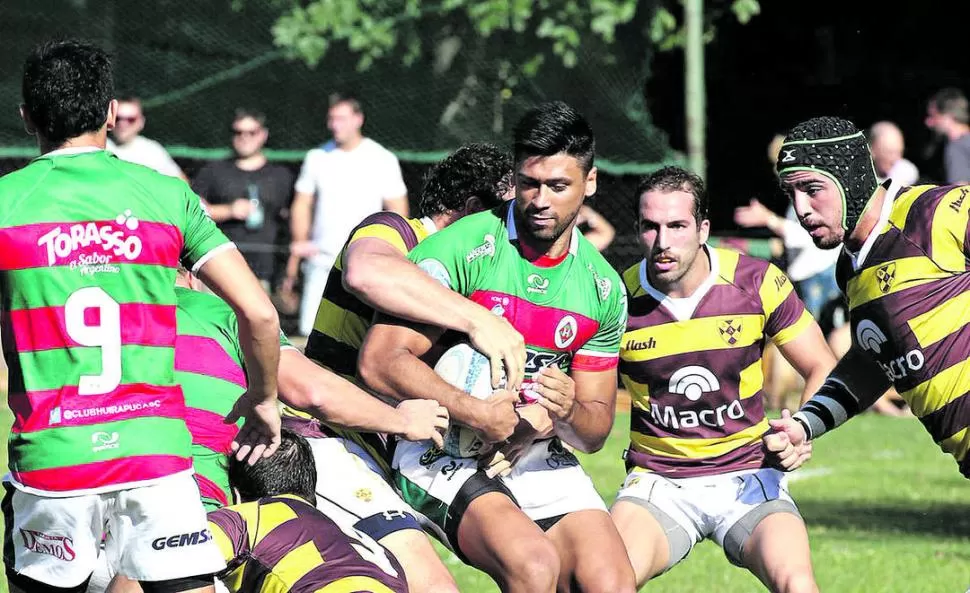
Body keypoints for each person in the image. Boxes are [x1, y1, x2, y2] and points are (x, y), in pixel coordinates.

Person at [0, 39, 281, 593]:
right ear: (109, 112)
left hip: (54, 459)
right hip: (155, 456)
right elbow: (261, 314)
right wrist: (264, 398)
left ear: (27, 116)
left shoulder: (6, 201)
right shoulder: (165, 195)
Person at [359, 102, 636, 593]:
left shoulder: (603, 288)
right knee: (533, 566)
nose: (540, 200)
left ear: (589, 183)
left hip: (530, 452)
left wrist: (566, 407)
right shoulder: (466, 247)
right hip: (436, 446)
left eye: (558, 186)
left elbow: (593, 431)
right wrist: (475, 413)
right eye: (529, 183)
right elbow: (381, 361)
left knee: (611, 580)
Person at [287, 143, 524, 593]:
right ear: (473, 210)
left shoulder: (469, 277)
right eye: (504, 218)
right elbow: (366, 272)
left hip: (391, 446)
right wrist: (480, 320)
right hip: (325, 435)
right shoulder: (396, 231)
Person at [609, 166, 830, 593]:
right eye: (651, 227)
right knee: (603, 583)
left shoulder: (758, 282)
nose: (664, 242)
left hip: (749, 475)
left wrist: (805, 429)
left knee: (798, 585)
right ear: (637, 229)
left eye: (677, 226)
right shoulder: (616, 300)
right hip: (660, 482)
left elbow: (821, 363)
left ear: (703, 228)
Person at [769, 116, 970, 479]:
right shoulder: (849, 267)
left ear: (850, 181)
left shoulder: (937, 214)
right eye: (790, 194)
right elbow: (875, 360)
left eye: (812, 189)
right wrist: (804, 425)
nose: (801, 209)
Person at [208, 429, 410, 593]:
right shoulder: (373, 547)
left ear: (236, 495)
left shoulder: (246, 518)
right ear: (310, 489)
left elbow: (184, 552)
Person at [285, 92, 410, 336]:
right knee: (309, 334)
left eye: (341, 118)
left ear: (358, 119)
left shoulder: (382, 159)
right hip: (321, 262)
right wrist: (300, 240)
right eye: (331, 119)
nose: (334, 125)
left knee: (360, 336)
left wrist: (395, 253)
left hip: (366, 261)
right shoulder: (316, 157)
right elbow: (301, 203)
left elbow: (398, 211)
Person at [192, 109, 295, 291]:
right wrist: (228, 210)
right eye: (238, 132)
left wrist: (290, 269)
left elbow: (292, 221)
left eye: (251, 132)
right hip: (219, 270)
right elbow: (192, 212)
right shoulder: (213, 171)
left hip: (263, 273)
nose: (244, 137)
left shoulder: (281, 176)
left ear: (263, 134)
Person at [107, 96, 188, 181]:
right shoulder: (98, 146)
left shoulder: (152, 150)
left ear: (141, 122)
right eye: (118, 118)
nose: (123, 124)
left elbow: (182, 184)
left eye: (130, 119)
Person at [925, 88, 970, 185]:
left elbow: (960, 191)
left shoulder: (956, 147)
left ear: (948, 116)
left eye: (933, 116)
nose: (928, 123)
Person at [869, 121, 920, 195]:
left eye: (899, 152)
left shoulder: (908, 174)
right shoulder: (860, 179)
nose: (895, 160)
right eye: (890, 152)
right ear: (872, 150)